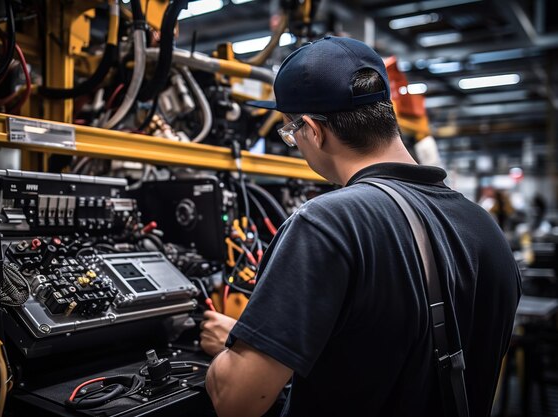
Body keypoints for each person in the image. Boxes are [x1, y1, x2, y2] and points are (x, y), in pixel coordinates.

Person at [201, 36, 521, 417]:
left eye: (290, 134)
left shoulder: (325, 223)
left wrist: (232, 348)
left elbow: (236, 401)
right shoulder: (485, 227)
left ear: (312, 130)